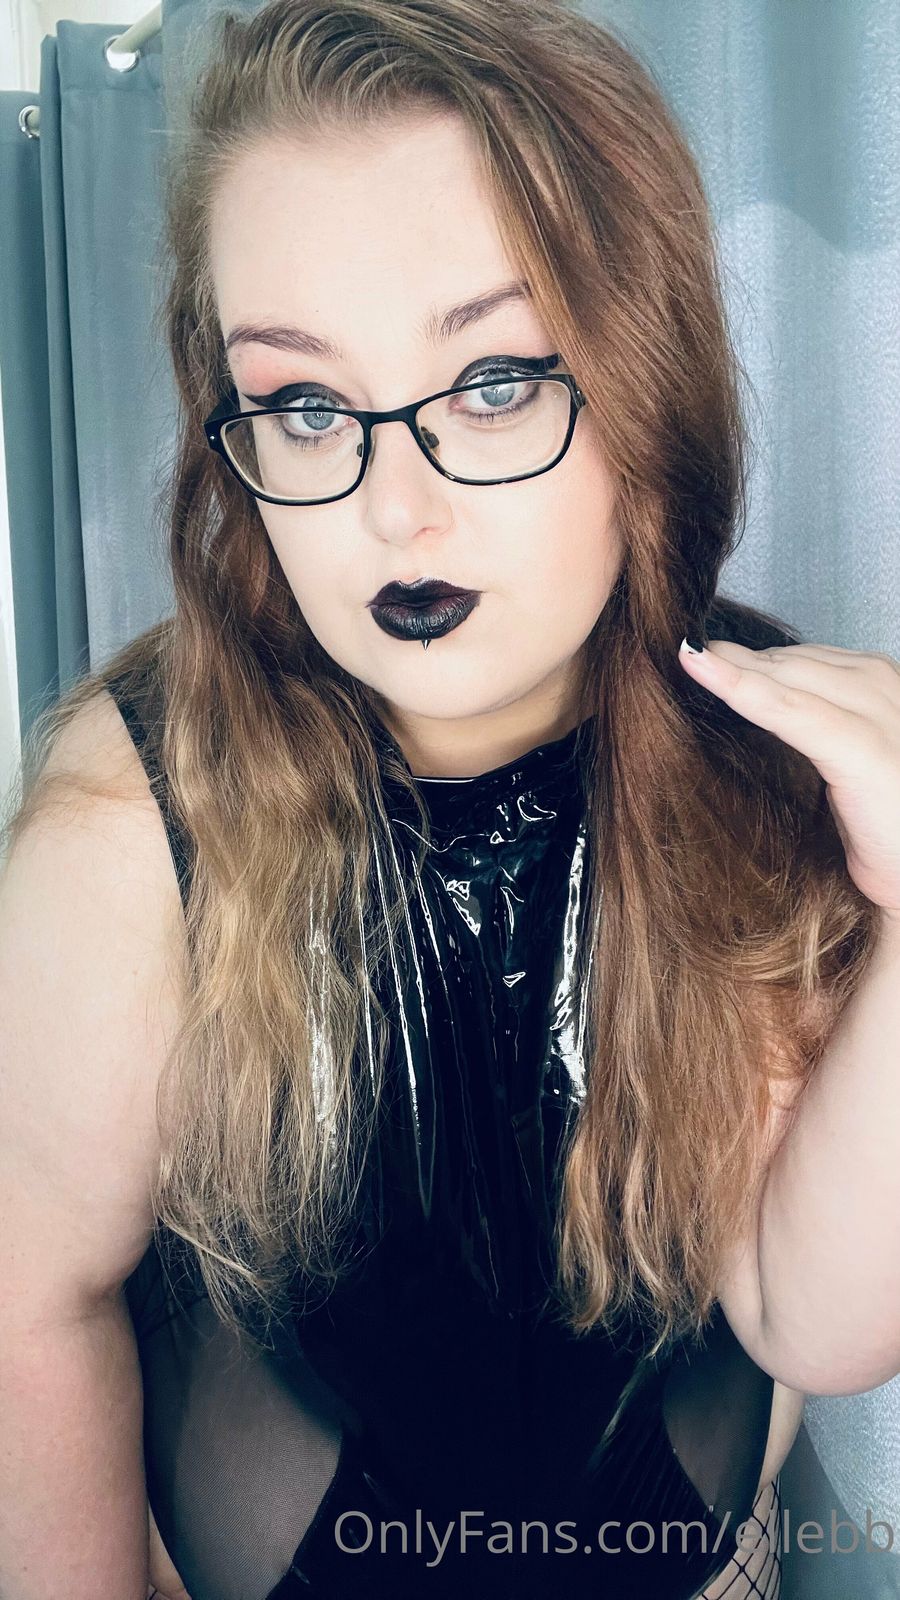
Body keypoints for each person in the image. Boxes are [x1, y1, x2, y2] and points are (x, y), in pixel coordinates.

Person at [2, 2, 892, 1598]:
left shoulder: (770, 757)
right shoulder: (132, 820)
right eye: (307, 406)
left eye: (491, 381)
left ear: (641, 375)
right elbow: (26, 1305)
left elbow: (817, 1323)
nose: (395, 510)